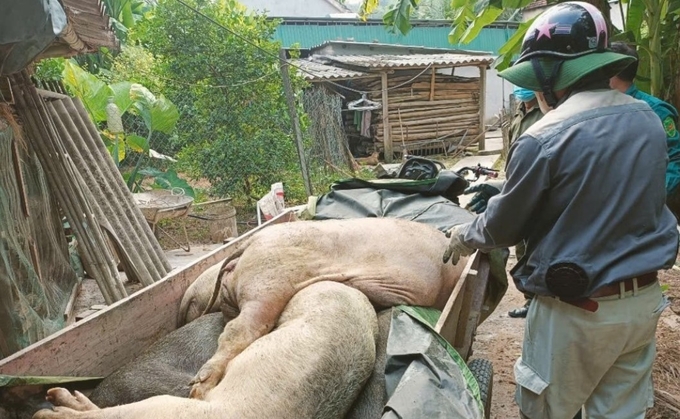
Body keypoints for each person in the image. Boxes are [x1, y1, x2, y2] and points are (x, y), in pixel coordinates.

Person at [443, 2, 678, 418]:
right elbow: (600, 187)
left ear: (551, 77)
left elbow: (503, 227)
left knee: (549, 411)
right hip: (641, 303)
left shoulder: (543, 137)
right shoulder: (647, 120)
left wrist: (464, 235)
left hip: (575, 314)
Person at [465, 86, 544, 319]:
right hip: (515, 183)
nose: (521, 89)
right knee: (521, 248)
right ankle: (531, 300)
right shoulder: (518, 113)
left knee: (536, 245)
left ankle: (543, 301)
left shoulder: (547, 114)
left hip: (534, 186)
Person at [609, 41, 680, 221]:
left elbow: (675, 158)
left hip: (651, 214)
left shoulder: (656, 111)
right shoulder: (599, 109)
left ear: (611, 70)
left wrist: (651, 198)